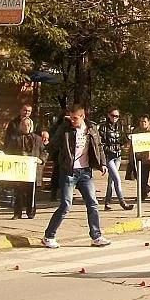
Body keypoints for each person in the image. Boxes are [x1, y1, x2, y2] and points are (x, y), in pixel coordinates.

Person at [42, 103, 111, 248]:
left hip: (85, 172)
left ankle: (96, 236)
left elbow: (99, 146)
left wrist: (102, 163)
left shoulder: (91, 129)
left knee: (93, 203)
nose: (72, 121)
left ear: (82, 116)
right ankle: (49, 236)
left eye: (75, 118)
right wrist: (42, 158)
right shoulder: (65, 128)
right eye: (71, 118)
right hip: (69, 172)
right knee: (66, 205)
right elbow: (53, 145)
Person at [4, 118, 43, 219]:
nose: (26, 127)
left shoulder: (38, 139)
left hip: (32, 169)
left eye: (28, 125)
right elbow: (9, 152)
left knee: (31, 191)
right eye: (24, 125)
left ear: (31, 126)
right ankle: (17, 213)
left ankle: (31, 212)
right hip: (19, 169)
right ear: (21, 126)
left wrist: (41, 160)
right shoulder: (14, 138)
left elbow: (45, 151)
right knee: (19, 191)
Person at [100, 107, 133, 211]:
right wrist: (108, 150)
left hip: (117, 156)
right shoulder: (103, 128)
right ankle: (122, 201)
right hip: (109, 157)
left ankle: (107, 202)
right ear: (109, 115)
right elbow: (100, 143)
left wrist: (127, 141)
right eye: (113, 115)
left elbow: (122, 140)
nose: (115, 118)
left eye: (117, 116)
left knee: (112, 180)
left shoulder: (119, 127)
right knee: (117, 178)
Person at [130, 116, 150, 200]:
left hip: (147, 158)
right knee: (137, 175)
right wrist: (131, 156)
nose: (143, 123)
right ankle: (146, 189)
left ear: (148, 122)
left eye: (145, 122)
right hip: (137, 157)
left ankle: (142, 195)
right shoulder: (136, 131)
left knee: (144, 177)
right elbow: (132, 144)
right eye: (142, 121)